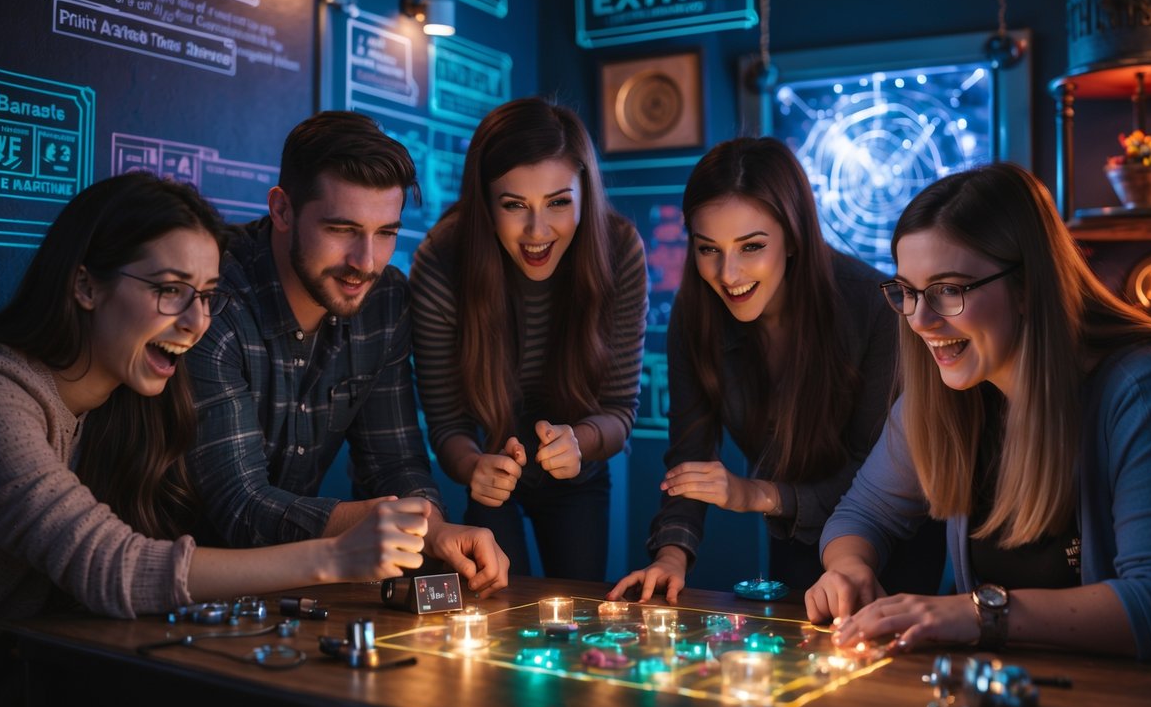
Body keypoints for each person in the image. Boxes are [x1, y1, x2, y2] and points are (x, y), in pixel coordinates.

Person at [0, 174, 432, 704]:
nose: (196, 322)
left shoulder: (130, 405)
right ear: (86, 285)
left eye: (207, 296)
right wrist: (333, 557)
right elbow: (111, 567)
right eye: (169, 290)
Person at [806, 162, 1151, 660]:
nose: (920, 320)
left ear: (1026, 286)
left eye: (948, 290)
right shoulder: (940, 399)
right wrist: (848, 566)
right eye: (909, 293)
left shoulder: (1143, 390)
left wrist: (975, 613)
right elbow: (861, 514)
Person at [609, 136, 944, 603]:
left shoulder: (875, 307)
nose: (728, 274)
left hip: (892, 551)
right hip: (793, 537)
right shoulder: (695, 311)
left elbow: (875, 481)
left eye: (751, 247)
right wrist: (671, 554)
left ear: (792, 235)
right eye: (709, 249)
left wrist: (756, 495)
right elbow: (691, 457)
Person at [186, 111, 507, 596]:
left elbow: (394, 461)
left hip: (290, 594)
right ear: (282, 210)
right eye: (342, 229)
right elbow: (240, 508)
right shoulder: (214, 302)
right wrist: (379, 520)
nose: (367, 262)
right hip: (167, 591)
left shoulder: (383, 302)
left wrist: (436, 530)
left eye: (386, 233)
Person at [409, 97, 647, 580]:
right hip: (489, 468)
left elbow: (619, 412)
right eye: (514, 205)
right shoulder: (442, 259)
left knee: (580, 615)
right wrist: (474, 465)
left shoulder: (620, 249)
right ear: (485, 202)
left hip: (581, 469)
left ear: (585, 192)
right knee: (494, 610)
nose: (537, 231)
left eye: (558, 202)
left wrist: (578, 442)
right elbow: (447, 424)